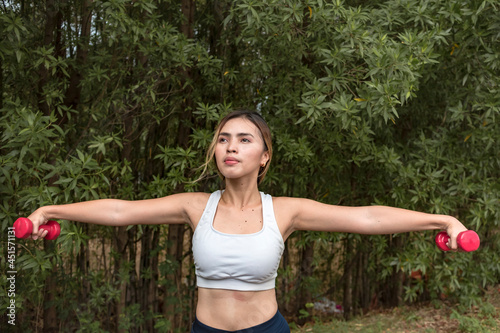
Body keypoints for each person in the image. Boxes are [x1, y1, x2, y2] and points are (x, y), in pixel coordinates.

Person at [26, 109, 468, 332]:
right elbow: (121, 211)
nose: (230, 147)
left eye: (243, 139)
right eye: (223, 139)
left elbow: (367, 217)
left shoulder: (287, 211)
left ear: (265, 155)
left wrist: (440, 220)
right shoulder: (196, 206)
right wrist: (49, 211)